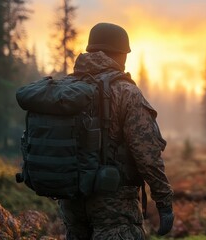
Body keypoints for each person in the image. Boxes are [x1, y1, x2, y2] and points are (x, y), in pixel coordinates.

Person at [58, 22, 174, 240]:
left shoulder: (67, 86)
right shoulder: (126, 92)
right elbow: (147, 154)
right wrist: (164, 201)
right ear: (120, 55)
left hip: (71, 199)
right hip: (114, 204)